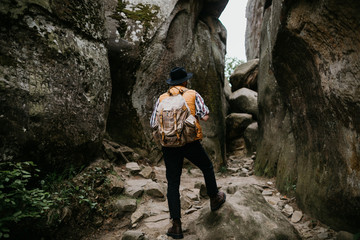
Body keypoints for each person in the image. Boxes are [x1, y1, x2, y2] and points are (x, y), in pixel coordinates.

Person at [150, 67, 226, 239]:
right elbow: (205, 115)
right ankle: (214, 198)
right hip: (190, 142)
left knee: (173, 183)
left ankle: (176, 226)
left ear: (171, 84)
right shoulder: (192, 94)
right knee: (206, 166)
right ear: (184, 82)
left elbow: (153, 122)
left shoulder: (162, 98)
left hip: (169, 146)